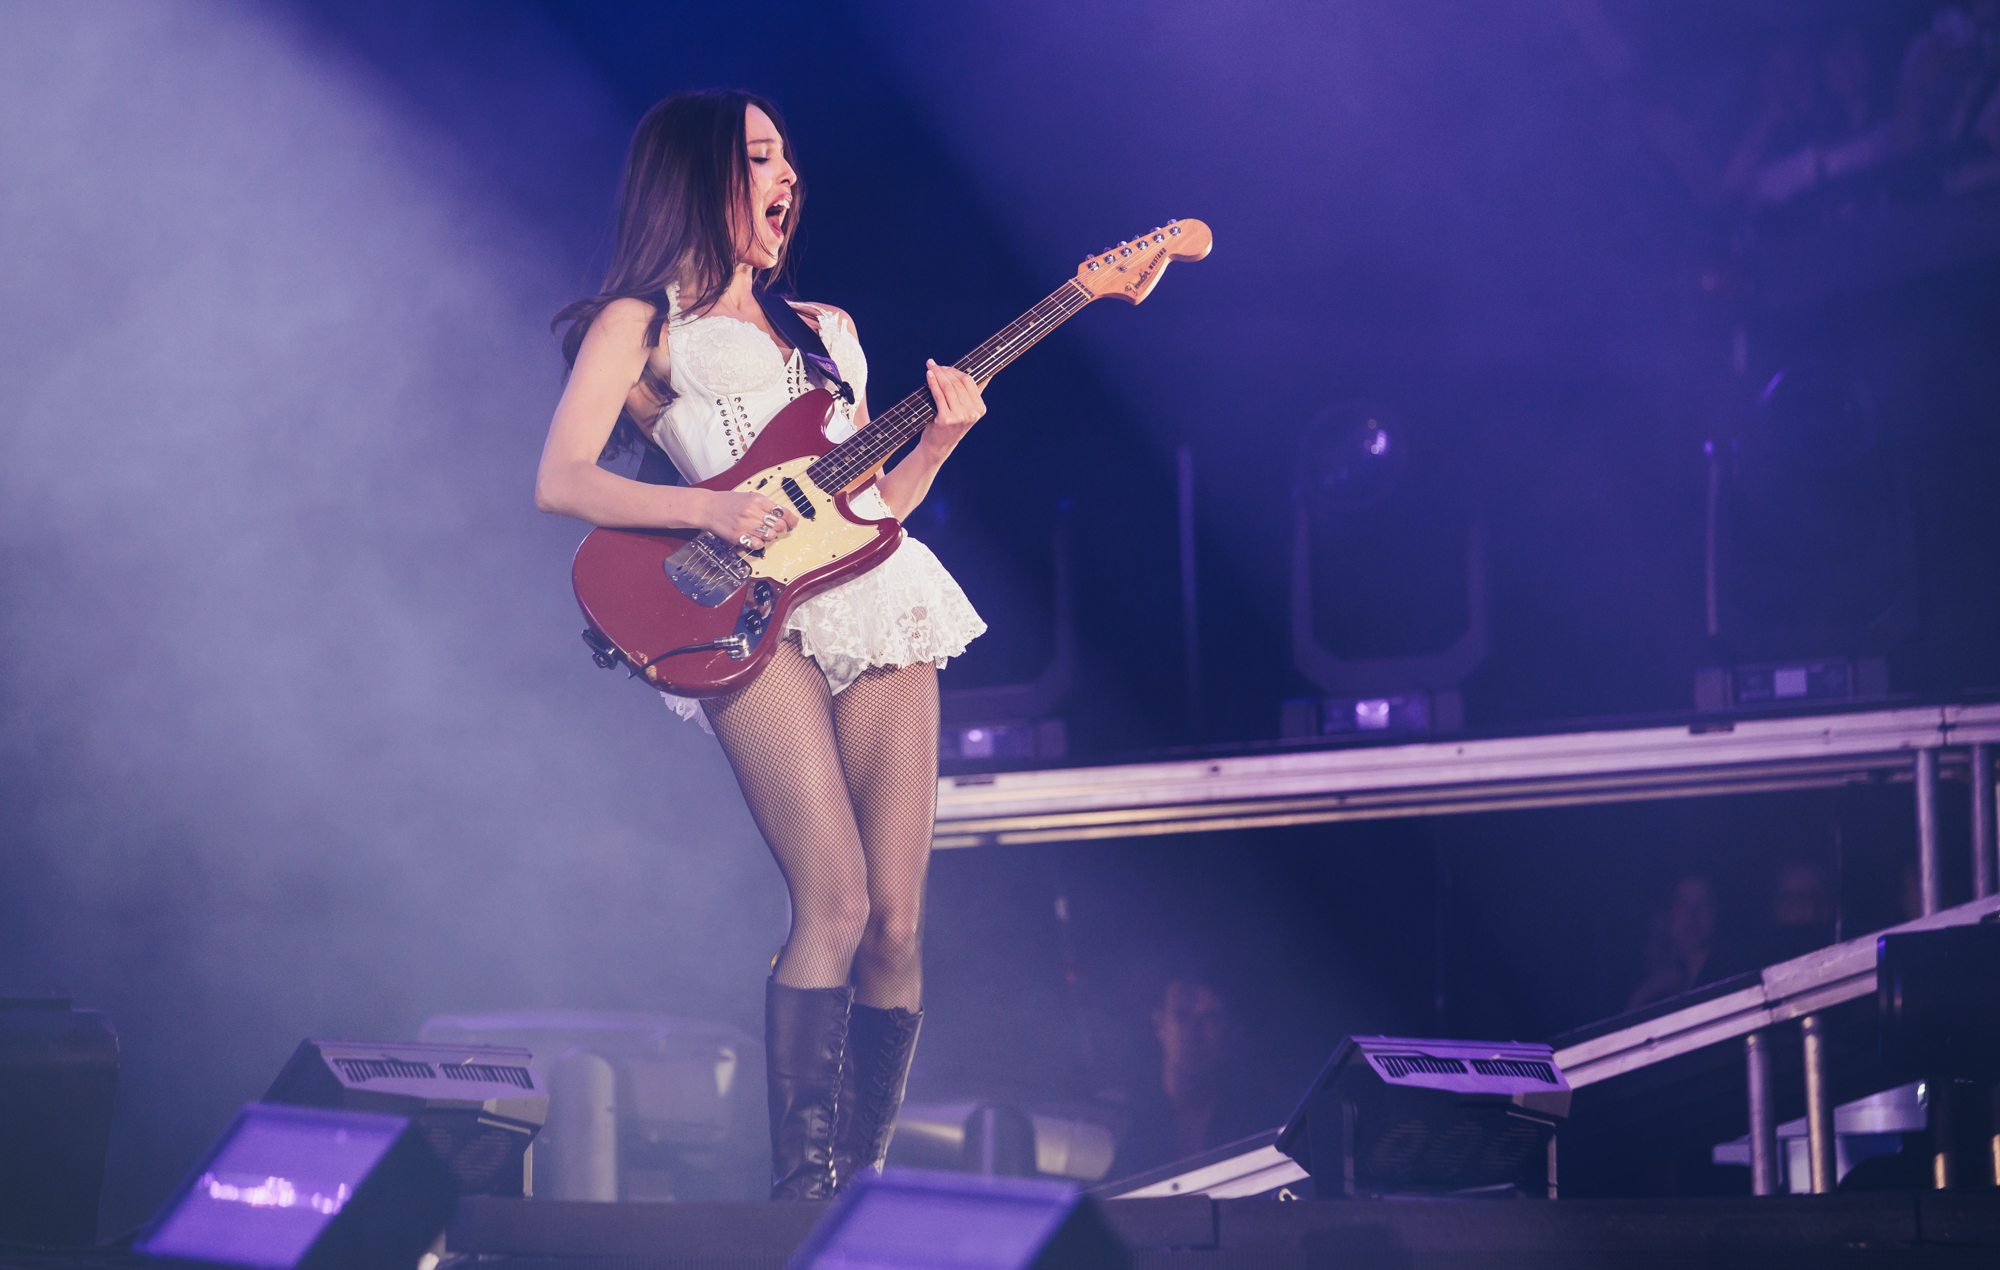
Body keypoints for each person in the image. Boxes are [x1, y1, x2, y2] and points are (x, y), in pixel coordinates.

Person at [534, 90, 990, 1199]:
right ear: (698, 175)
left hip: (874, 592)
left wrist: (935, 442)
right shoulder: (639, 326)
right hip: (743, 607)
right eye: (758, 156)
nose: (787, 175)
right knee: (829, 899)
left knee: (895, 920)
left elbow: (872, 505)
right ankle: (802, 1195)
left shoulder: (826, 333)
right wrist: (706, 512)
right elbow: (561, 480)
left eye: (789, 155)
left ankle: (865, 1182)